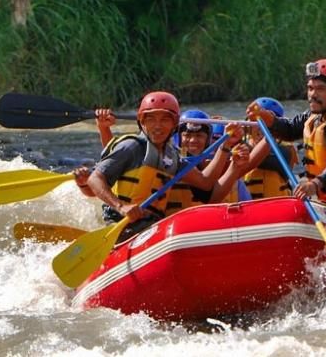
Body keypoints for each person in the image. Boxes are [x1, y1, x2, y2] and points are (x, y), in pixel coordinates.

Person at [79, 91, 248, 243]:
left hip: (152, 227)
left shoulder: (172, 156)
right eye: (151, 119)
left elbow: (205, 182)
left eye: (165, 119)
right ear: (142, 122)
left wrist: (225, 145)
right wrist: (121, 206)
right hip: (123, 227)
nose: (158, 126)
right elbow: (95, 178)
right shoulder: (131, 146)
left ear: (174, 124)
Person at [247, 59, 326, 207]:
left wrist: (315, 184)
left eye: (320, 89)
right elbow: (290, 130)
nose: (312, 95)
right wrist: (268, 118)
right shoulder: (316, 114)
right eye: (310, 88)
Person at [241, 97, 298, 199]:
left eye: (266, 123)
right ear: (248, 125)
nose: (261, 128)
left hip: (277, 205)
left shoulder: (286, 149)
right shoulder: (239, 145)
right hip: (249, 206)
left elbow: (262, 159)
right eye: (256, 122)